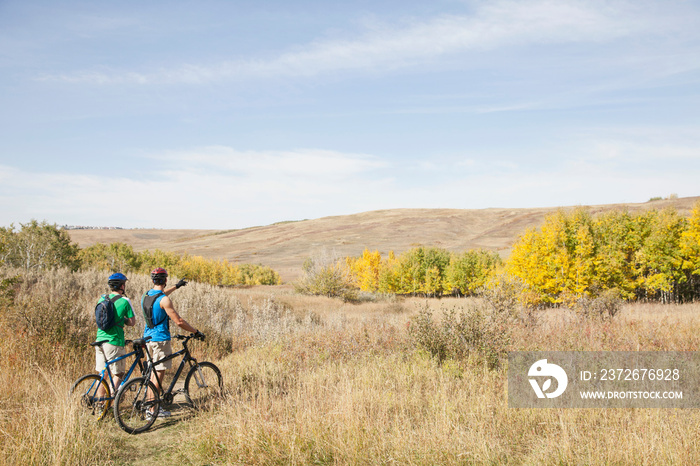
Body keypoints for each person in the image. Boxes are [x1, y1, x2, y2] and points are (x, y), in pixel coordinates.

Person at [142, 267, 202, 418]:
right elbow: (179, 321)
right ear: (165, 280)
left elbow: (161, 296)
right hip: (160, 340)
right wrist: (195, 331)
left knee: (151, 375)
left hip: (148, 339)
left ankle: (149, 406)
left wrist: (177, 286)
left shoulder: (147, 295)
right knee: (158, 376)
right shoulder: (165, 300)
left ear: (152, 280)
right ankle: (153, 411)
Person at [95, 273, 136, 398]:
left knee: (102, 374)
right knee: (118, 374)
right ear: (122, 286)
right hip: (114, 341)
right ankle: (111, 402)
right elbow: (132, 322)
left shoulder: (102, 299)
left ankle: (100, 404)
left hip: (100, 340)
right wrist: (121, 319)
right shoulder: (124, 301)